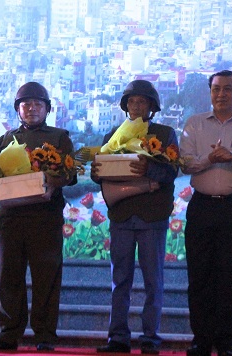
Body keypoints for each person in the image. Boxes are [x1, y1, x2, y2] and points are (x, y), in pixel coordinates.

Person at [0, 82, 76, 351]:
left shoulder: (59, 137)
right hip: (10, 219)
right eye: (26, 105)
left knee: (46, 279)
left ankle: (45, 336)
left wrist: (49, 179)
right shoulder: (5, 138)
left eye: (37, 104)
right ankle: (8, 335)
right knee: (7, 277)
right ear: (18, 110)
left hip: (45, 218)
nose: (32, 109)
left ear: (47, 109)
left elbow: (70, 175)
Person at [179, 70, 232, 356]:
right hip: (202, 206)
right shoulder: (194, 124)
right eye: (216, 89)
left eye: (228, 89)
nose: (221, 94)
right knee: (199, 276)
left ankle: (227, 341)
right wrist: (210, 159)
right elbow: (185, 164)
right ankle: (201, 340)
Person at [92, 80, 178, 354]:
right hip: (121, 217)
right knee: (120, 281)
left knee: (154, 281)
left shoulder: (165, 134)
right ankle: (117, 338)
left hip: (152, 217)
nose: (136, 106)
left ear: (152, 107)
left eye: (142, 101)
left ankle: (150, 339)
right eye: (132, 101)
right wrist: (97, 173)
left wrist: (148, 167)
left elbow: (172, 172)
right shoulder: (111, 136)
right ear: (125, 105)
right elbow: (101, 177)